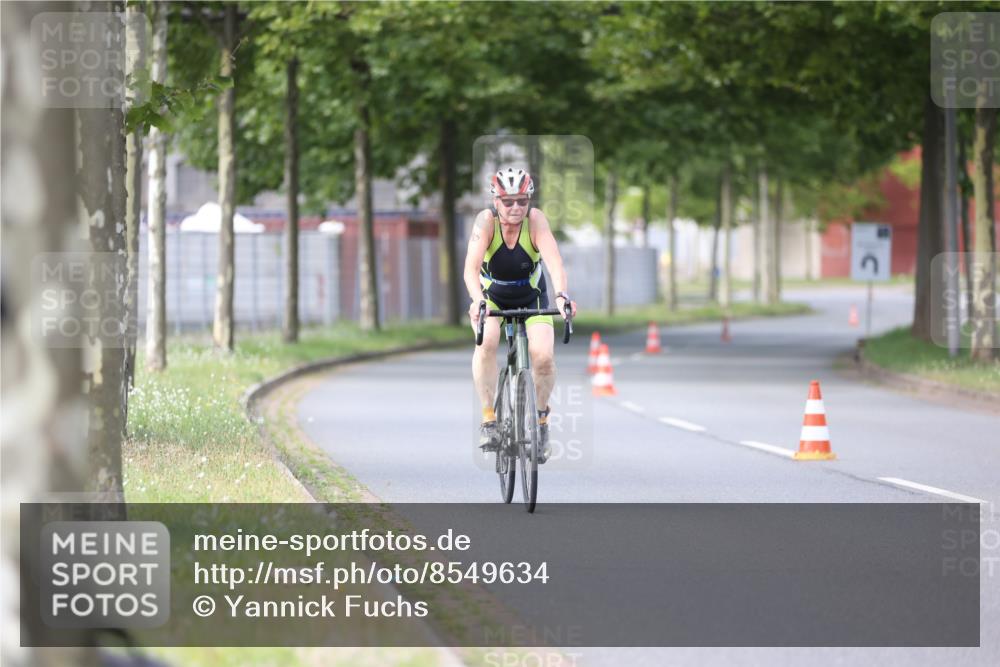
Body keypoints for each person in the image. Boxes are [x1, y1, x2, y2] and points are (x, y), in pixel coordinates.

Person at [463, 166, 577, 463]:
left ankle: (540, 421)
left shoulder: (535, 220)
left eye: (522, 201)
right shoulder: (486, 222)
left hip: (531, 296)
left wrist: (562, 295)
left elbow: (554, 263)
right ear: (496, 201)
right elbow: (470, 269)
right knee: (486, 342)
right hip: (492, 298)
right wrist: (477, 301)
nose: (515, 207)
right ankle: (489, 419)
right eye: (508, 201)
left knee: (543, 357)